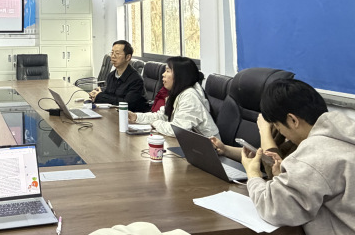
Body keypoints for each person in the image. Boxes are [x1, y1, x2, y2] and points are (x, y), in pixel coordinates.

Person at [241, 80, 355, 234]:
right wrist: (288, 176)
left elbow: (275, 209)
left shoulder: (314, 154)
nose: (282, 134)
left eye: (279, 128)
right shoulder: (345, 132)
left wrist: (253, 174)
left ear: (293, 120)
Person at [128, 56, 219, 138]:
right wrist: (136, 117)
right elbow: (162, 116)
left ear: (180, 76)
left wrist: (155, 123)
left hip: (208, 148)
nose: (163, 74)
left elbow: (177, 130)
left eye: (168, 71)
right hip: (187, 143)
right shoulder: (177, 93)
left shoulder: (190, 96)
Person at [210, 113, 297, 179]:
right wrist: (225, 149)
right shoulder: (278, 126)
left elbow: (275, 173)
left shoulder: (300, 145)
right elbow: (261, 156)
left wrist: (264, 131)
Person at [88, 40, 148, 112]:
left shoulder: (136, 80)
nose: (113, 56)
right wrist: (96, 94)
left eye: (117, 53)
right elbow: (110, 96)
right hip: (112, 113)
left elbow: (127, 104)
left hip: (129, 116)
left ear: (128, 57)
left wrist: (100, 96)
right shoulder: (111, 76)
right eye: (112, 53)